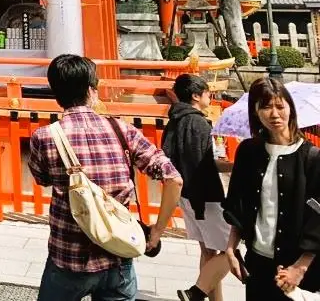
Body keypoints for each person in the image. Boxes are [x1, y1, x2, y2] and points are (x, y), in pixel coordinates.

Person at [28, 54, 184, 301]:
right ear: (92, 91)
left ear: (55, 93)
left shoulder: (45, 137)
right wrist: (156, 231)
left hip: (68, 255)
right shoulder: (122, 130)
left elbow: (42, 178)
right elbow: (173, 178)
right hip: (118, 254)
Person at [222, 76, 320, 299]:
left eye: (279, 105)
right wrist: (230, 248)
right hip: (258, 261)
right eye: (265, 107)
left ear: (290, 108)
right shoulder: (248, 152)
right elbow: (238, 202)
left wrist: (300, 267)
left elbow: (318, 218)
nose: (274, 114)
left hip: (297, 267)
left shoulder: (312, 158)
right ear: (255, 112)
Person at [162, 74, 234, 301]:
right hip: (204, 196)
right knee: (230, 250)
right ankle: (196, 292)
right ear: (195, 95)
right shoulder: (198, 122)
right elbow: (202, 162)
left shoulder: (175, 119)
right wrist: (231, 165)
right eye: (206, 93)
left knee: (208, 251)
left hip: (185, 193)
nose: (209, 97)